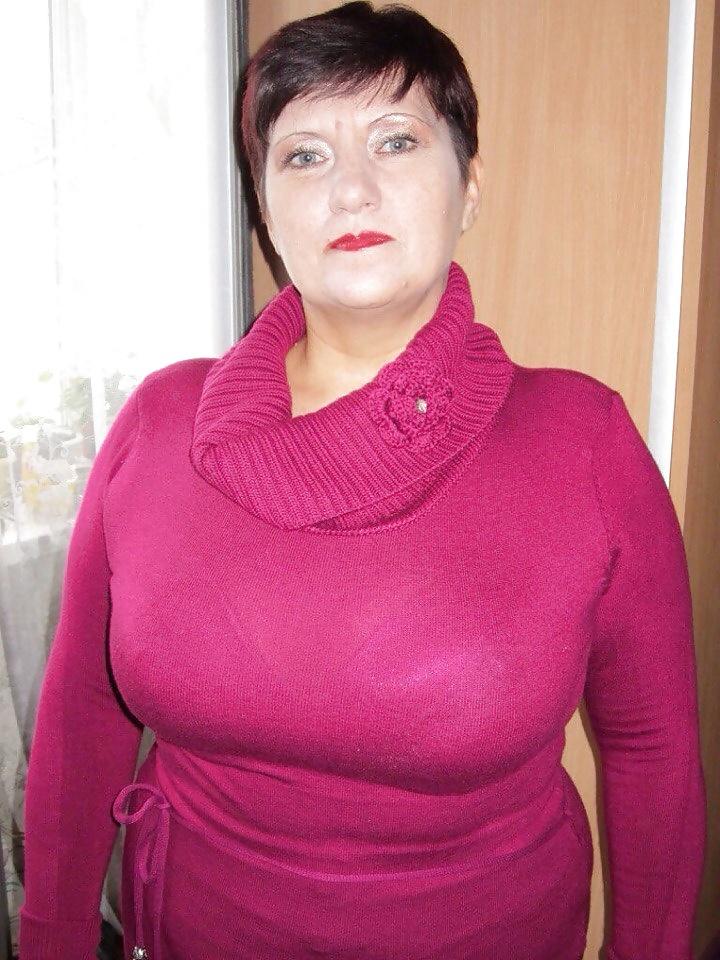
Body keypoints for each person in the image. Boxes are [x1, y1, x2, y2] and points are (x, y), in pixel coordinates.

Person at [18, 2, 706, 959]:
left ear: (470, 185)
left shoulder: (582, 442)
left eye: (396, 141)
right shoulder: (160, 424)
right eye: (304, 155)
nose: (350, 189)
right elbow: (83, 712)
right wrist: (50, 937)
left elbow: (651, 751)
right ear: (265, 207)